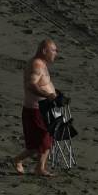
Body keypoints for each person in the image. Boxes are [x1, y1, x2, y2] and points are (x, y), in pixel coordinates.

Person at [11, 39, 60, 176]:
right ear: (44, 50)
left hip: (44, 109)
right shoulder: (36, 65)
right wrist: (47, 95)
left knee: (48, 139)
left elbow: (43, 83)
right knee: (40, 142)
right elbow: (31, 85)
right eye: (54, 50)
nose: (56, 53)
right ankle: (17, 160)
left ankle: (40, 168)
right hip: (35, 109)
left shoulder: (42, 64)